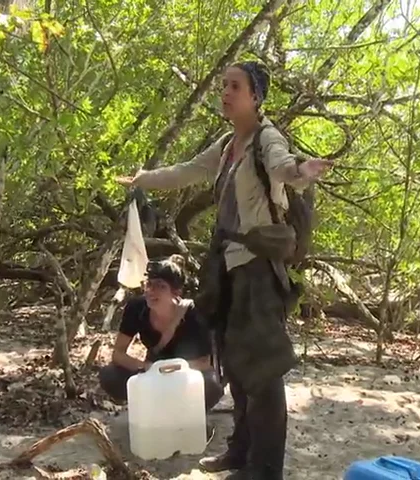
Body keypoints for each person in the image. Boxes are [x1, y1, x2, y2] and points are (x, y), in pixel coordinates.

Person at [116, 62, 333, 479]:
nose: (226, 93)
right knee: (234, 364)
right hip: (227, 265)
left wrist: (301, 172)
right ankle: (240, 452)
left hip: (257, 270)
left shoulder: (266, 138)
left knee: (264, 370)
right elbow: (187, 171)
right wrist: (142, 179)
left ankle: (265, 469)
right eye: (224, 86)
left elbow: (284, 166)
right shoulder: (228, 144)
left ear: (256, 96)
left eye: (235, 86)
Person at [98, 255, 224, 411]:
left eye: (160, 286)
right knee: (110, 375)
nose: (152, 291)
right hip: (151, 370)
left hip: (185, 372)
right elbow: (118, 353)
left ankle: (182, 409)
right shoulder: (136, 308)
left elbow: (206, 362)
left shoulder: (194, 314)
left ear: (176, 292)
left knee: (212, 386)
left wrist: (170, 371)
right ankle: (152, 406)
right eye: (149, 285)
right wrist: (146, 367)